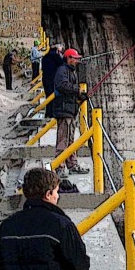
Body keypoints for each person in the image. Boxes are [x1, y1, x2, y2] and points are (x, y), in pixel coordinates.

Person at [53, 48, 89, 176]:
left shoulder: (70, 72)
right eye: (75, 58)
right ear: (68, 58)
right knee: (63, 139)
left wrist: (81, 96)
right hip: (64, 110)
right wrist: (77, 90)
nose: (77, 60)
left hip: (70, 110)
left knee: (70, 140)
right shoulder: (62, 71)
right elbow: (62, 86)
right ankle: (59, 167)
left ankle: (72, 165)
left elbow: (70, 90)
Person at [41, 43, 64, 119]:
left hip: (45, 79)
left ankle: (48, 113)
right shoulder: (56, 57)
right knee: (54, 97)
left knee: (48, 96)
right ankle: (52, 114)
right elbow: (62, 64)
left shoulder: (45, 57)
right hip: (53, 79)